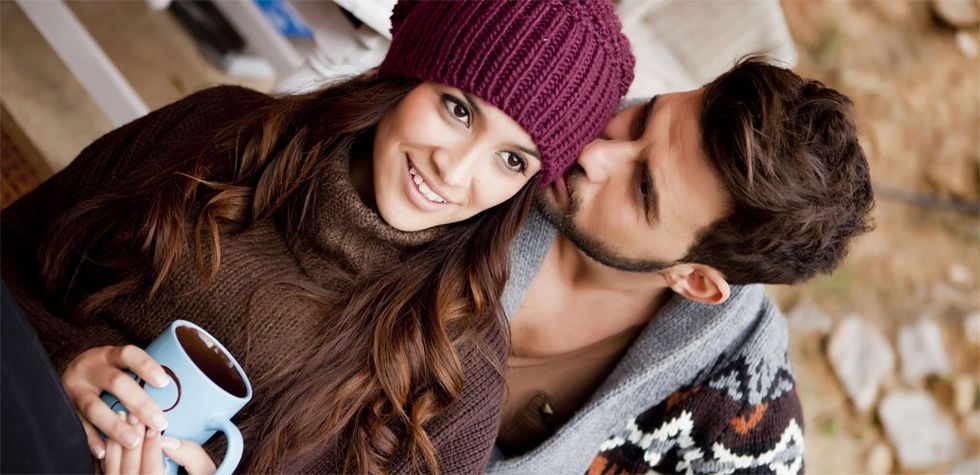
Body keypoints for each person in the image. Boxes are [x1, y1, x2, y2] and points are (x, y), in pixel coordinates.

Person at [0, 1, 634, 474]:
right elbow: (14, 250)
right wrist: (66, 363)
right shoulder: (218, 129)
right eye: (458, 109)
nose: (456, 171)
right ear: (408, 71)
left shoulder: (457, 377)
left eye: (512, 160)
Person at [487, 56, 874, 474]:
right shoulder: (515, 112)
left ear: (695, 281)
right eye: (642, 121)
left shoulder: (742, 403)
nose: (595, 154)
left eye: (643, 188)